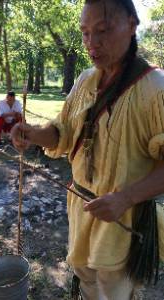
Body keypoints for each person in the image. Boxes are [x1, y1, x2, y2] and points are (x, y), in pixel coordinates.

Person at [12, 0, 164, 299]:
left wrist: (125, 198)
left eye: (103, 30)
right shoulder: (85, 80)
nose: (92, 43)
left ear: (133, 25)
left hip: (122, 220)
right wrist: (33, 135)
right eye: (85, 32)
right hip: (81, 208)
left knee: (114, 290)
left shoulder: (155, 89)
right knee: (87, 282)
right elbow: (62, 133)